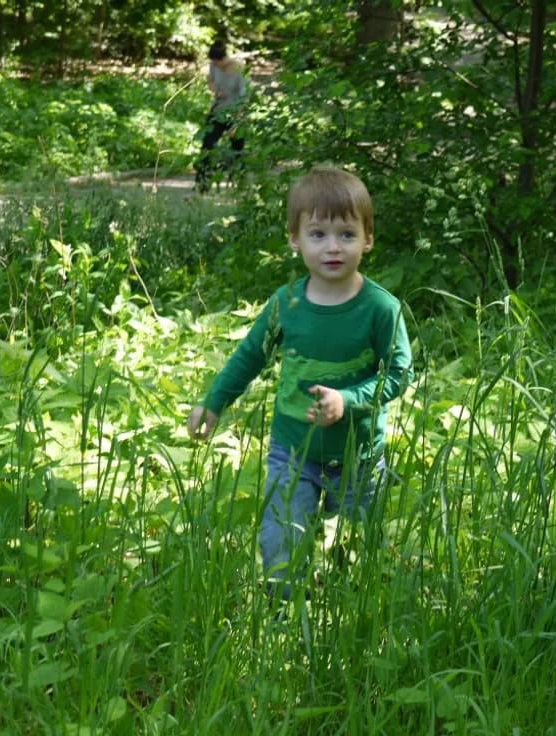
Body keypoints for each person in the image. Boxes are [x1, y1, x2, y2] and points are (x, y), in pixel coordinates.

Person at [186, 166, 413, 612]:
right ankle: (283, 615)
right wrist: (213, 404)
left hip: (358, 456)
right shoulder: (286, 304)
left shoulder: (380, 309)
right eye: (318, 234)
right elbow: (249, 356)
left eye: (346, 234)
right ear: (295, 239)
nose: (333, 246)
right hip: (293, 450)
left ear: (368, 238)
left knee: (361, 548)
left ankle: (355, 616)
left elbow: (400, 372)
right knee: (279, 539)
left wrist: (347, 401)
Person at [195, 40, 247, 193]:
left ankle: (241, 185)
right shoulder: (213, 66)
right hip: (218, 111)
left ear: (224, 59)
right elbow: (210, 81)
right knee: (207, 146)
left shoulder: (238, 68)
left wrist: (238, 120)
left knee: (238, 148)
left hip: (235, 113)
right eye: (213, 63)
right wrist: (216, 91)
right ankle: (202, 184)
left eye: (218, 63)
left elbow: (245, 95)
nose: (215, 66)